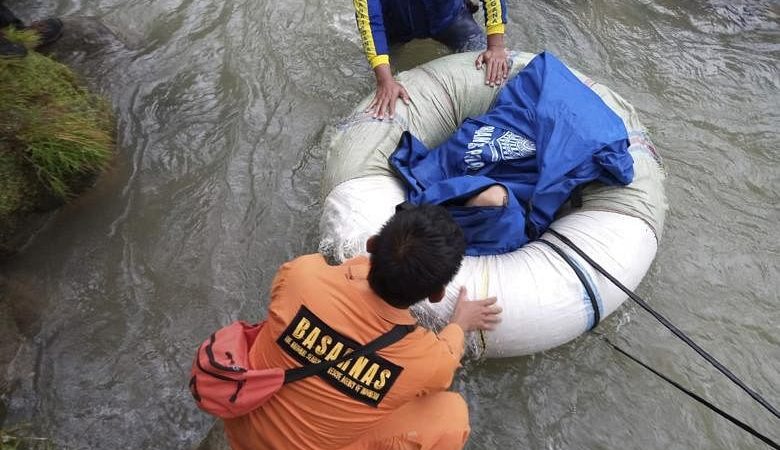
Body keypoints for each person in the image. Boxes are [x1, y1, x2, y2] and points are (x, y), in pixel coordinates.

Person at [222, 203, 502, 450]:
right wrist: (459, 323)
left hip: (240, 422)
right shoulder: (427, 359)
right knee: (450, 414)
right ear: (437, 294)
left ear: (371, 244)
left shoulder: (302, 275)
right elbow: (446, 361)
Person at [354, 0, 510, 119]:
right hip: (395, 24)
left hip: (448, 18)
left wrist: (495, 46)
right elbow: (370, 19)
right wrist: (384, 79)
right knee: (381, 85)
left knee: (488, 65)